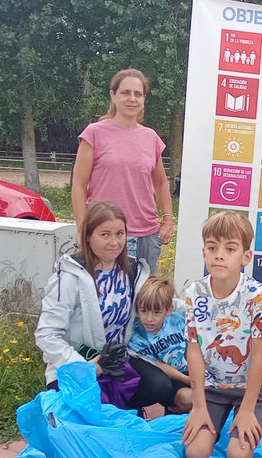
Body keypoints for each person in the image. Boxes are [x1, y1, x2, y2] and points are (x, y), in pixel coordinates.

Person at [180, 211, 262, 458]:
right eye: (212, 247)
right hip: (214, 386)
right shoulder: (194, 292)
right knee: (195, 454)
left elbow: (258, 356)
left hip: (254, 386)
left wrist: (246, 411)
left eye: (230, 248)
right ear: (204, 253)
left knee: (238, 454)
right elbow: (195, 350)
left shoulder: (258, 296)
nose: (219, 255)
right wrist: (198, 405)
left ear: (246, 257)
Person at [35, 200, 150, 392]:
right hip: (79, 362)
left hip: (117, 362)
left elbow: (159, 304)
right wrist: (86, 367)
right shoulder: (69, 277)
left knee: (160, 386)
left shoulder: (133, 272)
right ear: (87, 236)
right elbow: (46, 335)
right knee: (86, 415)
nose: (114, 243)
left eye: (120, 234)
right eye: (105, 234)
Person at [72, 69, 175, 273]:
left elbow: (161, 182)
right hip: (105, 233)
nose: (132, 99)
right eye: (125, 92)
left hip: (146, 234)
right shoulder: (94, 133)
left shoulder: (151, 137)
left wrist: (168, 219)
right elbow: (79, 185)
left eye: (138, 94)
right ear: (113, 95)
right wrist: (84, 230)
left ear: (144, 99)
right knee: (105, 298)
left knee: (142, 302)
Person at [127, 277, 193, 419]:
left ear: (169, 310)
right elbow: (158, 365)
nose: (149, 319)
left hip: (186, 369)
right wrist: (186, 380)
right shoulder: (137, 335)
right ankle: (173, 409)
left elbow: (189, 347)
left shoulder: (177, 320)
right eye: (144, 311)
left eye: (156, 312)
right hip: (170, 376)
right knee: (189, 399)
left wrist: (195, 374)